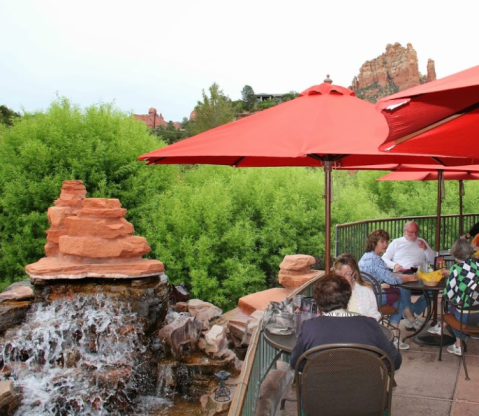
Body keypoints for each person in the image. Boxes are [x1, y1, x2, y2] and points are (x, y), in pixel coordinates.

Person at [290, 273, 401, 372]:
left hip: (319, 394)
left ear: (318, 302)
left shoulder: (309, 327)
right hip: (366, 393)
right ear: (348, 298)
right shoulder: (370, 325)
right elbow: (394, 362)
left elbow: (296, 364)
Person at [358, 229, 421, 350]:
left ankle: (399, 330)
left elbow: (387, 275)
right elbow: (391, 280)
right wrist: (409, 278)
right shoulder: (375, 260)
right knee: (398, 297)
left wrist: (404, 277)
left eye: (386, 241)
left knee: (398, 294)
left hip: (366, 293)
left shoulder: (367, 256)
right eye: (382, 241)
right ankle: (398, 332)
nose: (385, 244)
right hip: (372, 297)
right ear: (374, 243)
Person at [431, 239, 479, 356]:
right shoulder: (477, 264)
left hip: (465, 316)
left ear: (455, 254)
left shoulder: (456, 269)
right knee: (462, 303)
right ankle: (442, 326)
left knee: (457, 306)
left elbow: (449, 294)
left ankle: (458, 345)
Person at [381, 221, 436, 318]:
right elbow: (384, 259)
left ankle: (409, 314)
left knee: (433, 292)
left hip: (419, 274)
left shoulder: (421, 241)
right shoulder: (396, 243)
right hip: (402, 274)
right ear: (405, 231)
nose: (414, 235)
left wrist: (425, 249)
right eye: (411, 232)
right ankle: (410, 317)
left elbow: (432, 259)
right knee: (403, 292)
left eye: (416, 232)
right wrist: (394, 265)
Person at [333, 254, 381, 322]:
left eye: (347, 274)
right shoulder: (329, 292)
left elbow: (374, 314)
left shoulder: (366, 290)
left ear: (354, 274)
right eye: (339, 274)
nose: (342, 278)